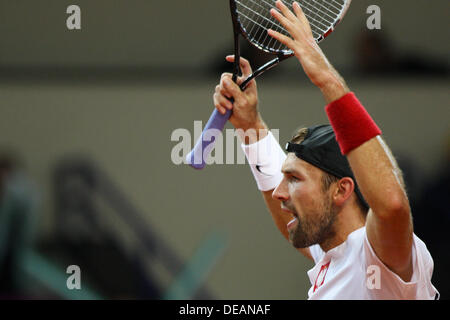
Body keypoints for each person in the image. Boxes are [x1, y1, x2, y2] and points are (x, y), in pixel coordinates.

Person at [212, 1, 438, 299]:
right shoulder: (332, 254)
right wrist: (250, 127)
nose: (280, 192)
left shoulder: (376, 255)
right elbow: (294, 225)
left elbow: (393, 205)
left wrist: (328, 79)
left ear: (342, 190)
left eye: (294, 178)